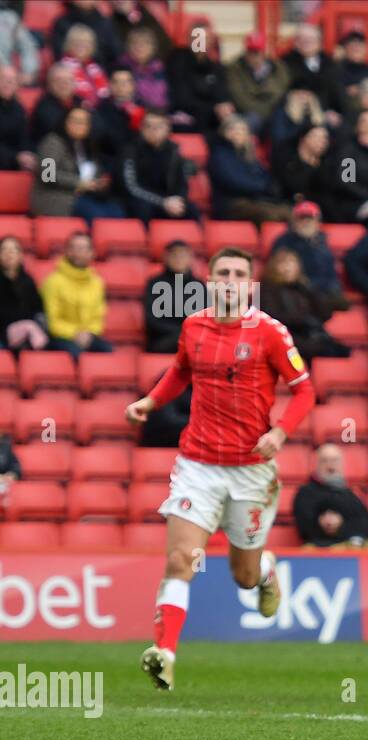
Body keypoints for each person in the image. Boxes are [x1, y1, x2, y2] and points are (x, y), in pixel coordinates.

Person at [125, 247, 317, 690]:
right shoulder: (194, 325)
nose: (230, 280)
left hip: (251, 471)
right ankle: (165, 654)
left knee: (242, 575)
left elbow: (304, 392)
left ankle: (266, 571)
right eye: (223, 273)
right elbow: (180, 371)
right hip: (198, 464)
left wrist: (281, 433)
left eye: (239, 274)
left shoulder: (270, 332)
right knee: (179, 561)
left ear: (250, 284)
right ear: (210, 281)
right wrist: (150, 402)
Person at [258, 247, 348, 364]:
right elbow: (271, 318)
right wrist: (302, 319)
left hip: (308, 335)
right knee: (321, 349)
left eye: (291, 262)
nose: (287, 267)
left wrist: (310, 292)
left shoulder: (303, 288)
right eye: (282, 263)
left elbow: (325, 315)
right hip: (285, 337)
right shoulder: (265, 289)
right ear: (273, 267)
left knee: (341, 350)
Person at [31, 107, 122, 220]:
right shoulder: (52, 142)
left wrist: (98, 183)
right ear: (65, 122)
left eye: (83, 122)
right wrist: (79, 183)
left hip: (85, 196)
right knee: (96, 215)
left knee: (116, 211)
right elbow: (47, 175)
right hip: (56, 198)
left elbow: (93, 173)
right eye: (74, 121)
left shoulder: (88, 146)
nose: (79, 125)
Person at [292, 444, 368, 548]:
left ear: (342, 464)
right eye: (325, 460)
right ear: (316, 464)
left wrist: (342, 525)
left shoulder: (351, 495)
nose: (330, 465)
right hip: (324, 553)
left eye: (335, 460)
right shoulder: (306, 493)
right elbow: (306, 530)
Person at [208, 114, 290, 222]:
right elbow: (232, 182)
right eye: (233, 129)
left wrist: (270, 187)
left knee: (290, 212)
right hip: (231, 204)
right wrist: (264, 188)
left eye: (242, 129)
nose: (238, 132)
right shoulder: (219, 155)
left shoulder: (249, 155)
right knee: (271, 214)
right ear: (224, 132)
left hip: (253, 200)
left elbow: (264, 176)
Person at [42, 232, 111, 356]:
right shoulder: (53, 282)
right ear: (67, 251)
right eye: (75, 248)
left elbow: (98, 318)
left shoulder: (97, 283)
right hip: (61, 337)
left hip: (89, 335)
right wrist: (75, 333)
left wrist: (88, 334)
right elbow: (52, 321)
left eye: (84, 248)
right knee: (77, 354)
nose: (79, 252)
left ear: (92, 253)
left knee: (108, 352)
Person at [117, 110, 191, 221]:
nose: (153, 130)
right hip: (141, 200)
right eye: (148, 126)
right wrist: (163, 202)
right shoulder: (130, 151)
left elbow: (182, 183)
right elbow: (131, 187)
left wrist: (178, 200)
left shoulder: (174, 151)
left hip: (169, 200)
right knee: (143, 209)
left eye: (159, 126)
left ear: (168, 129)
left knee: (191, 210)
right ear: (141, 129)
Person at [143, 239, 204, 354]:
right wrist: (181, 331)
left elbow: (205, 317)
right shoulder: (154, 284)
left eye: (182, 255)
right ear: (166, 257)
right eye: (174, 255)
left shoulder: (199, 285)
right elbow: (151, 320)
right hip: (162, 340)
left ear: (190, 258)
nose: (178, 259)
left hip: (193, 338)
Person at [225, 32, 289, 135]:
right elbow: (240, 98)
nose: (253, 56)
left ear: (264, 52)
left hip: (274, 112)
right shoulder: (235, 69)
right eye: (250, 52)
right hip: (249, 112)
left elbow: (280, 93)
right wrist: (262, 111)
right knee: (248, 123)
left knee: (281, 124)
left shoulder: (278, 68)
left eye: (257, 52)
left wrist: (266, 111)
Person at [0, 236, 48, 354]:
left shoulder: (28, 281)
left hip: (26, 333)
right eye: (4, 250)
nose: (9, 254)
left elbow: (38, 310)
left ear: (21, 255)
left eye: (13, 250)